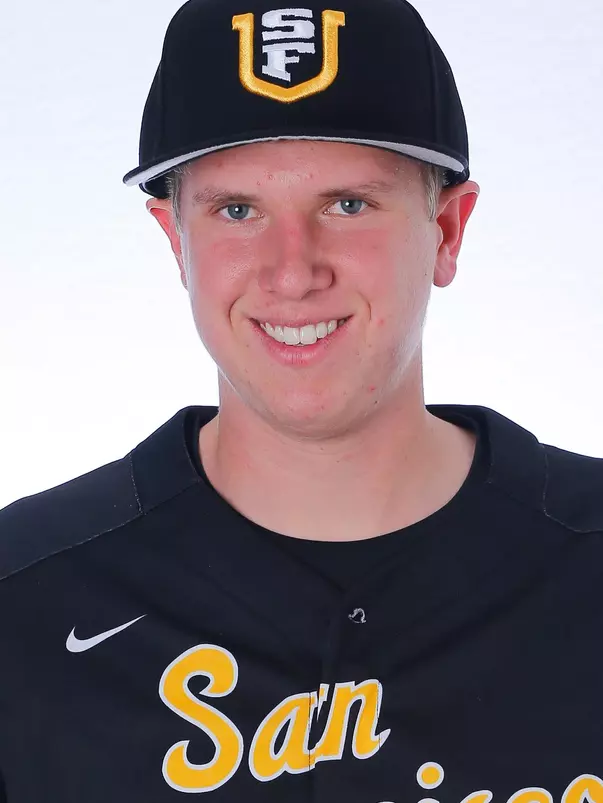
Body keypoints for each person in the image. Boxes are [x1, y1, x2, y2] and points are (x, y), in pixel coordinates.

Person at [1, 0, 602, 800]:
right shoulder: (24, 601)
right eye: (237, 210)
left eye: (347, 204)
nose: (293, 271)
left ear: (448, 230)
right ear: (175, 240)